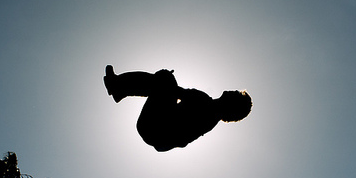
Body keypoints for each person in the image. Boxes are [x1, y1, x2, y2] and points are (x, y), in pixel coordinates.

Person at [103, 65, 252, 151]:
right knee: (164, 80)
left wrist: (162, 81)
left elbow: (174, 92)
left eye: (236, 94)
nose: (234, 91)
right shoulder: (209, 112)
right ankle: (120, 89)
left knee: (165, 78)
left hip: (154, 127)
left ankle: (118, 86)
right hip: (155, 131)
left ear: (232, 104)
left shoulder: (207, 107)